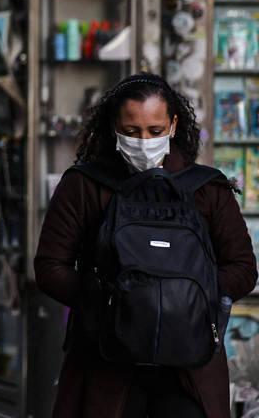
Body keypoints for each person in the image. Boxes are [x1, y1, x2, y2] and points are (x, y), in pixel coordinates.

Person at [34, 74, 258, 418]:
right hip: (104, 363)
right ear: (113, 128)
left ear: (173, 125)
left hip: (189, 369)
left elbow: (243, 268)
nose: (143, 142)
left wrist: (189, 299)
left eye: (155, 131)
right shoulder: (84, 185)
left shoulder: (207, 189)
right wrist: (108, 302)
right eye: (132, 131)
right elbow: (50, 266)